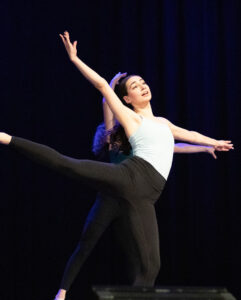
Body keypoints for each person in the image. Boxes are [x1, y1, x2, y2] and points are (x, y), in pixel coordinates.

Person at [0, 31, 233, 300]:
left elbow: (188, 135)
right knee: (69, 165)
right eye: (135, 86)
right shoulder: (131, 120)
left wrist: (212, 142)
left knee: (151, 267)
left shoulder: (164, 124)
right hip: (131, 177)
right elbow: (102, 87)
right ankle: (7, 138)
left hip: (147, 195)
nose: (143, 86)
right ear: (126, 99)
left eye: (143, 82)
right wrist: (76, 60)